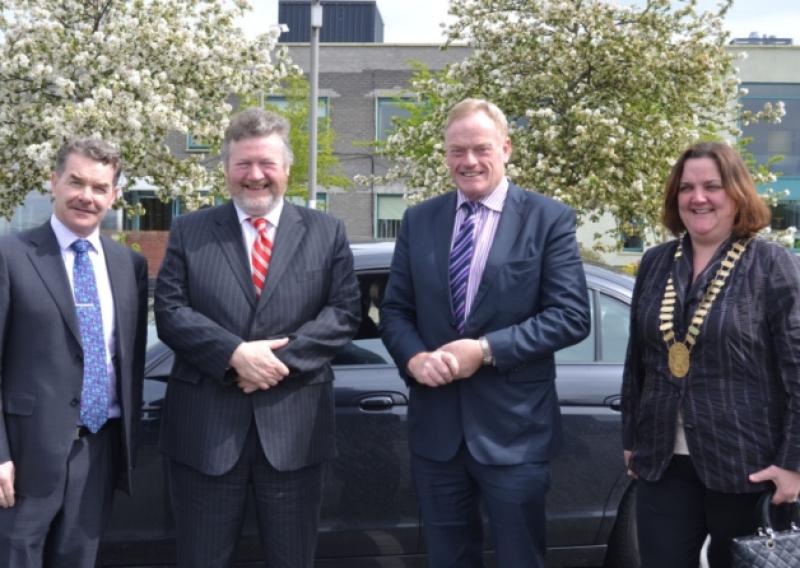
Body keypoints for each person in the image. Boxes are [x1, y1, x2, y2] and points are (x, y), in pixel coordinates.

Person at [379, 98, 591, 567]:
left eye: (480, 148)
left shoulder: (547, 218)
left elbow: (572, 314)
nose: (468, 161)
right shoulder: (419, 219)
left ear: (506, 148)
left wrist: (486, 350)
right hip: (437, 432)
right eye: (457, 150)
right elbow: (394, 311)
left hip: (514, 431)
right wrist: (414, 359)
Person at [155, 108, 360, 568]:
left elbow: (344, 312)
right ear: (226, 169)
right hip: (205, 434)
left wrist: (272, 365)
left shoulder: (326, 232)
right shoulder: (190, 230)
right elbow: (169, 311)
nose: (255, 175)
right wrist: (233, 354)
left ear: (287, 169)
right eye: (243, 164)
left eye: (267, 163)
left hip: (294, 433)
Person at [621, 141, 800, 568]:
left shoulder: (772, 265)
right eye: (686, 188)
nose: (698, 198)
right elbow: (638, 362)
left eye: (711, 186)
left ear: (736, 193)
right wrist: (632, 439)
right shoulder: (655, 262)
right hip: (664, 462)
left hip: (748, 465)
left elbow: (797, 370)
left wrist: (793, 463)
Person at [0, 137, 148, 567]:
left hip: (98, 451)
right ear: (54, 182)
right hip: (26, 456)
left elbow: (131, 359)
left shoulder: (129, 266)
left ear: (114, 195)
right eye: (76, 182)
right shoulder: (10, 255)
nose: (87, 196)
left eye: (100, 187)